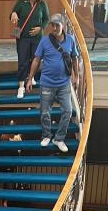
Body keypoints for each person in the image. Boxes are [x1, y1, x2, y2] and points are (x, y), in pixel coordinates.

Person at [25, 14, 80, 153]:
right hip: (47, 83)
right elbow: (37, 60)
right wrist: (30, 78)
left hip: (64, 83)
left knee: (67, 111)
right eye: (52, 25)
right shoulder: (44, 41)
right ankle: (46, 135)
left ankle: (59, 138)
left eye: (57, 25)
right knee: (45, 112)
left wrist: (77, 76)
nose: (54, 28)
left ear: (63, 25)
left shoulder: (71, 40)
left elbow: (74, 59)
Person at [10, 0, 49, 99]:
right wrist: (13, 14)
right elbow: (12, 14)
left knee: (36, 60)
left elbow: (46, 19)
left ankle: (30, 78)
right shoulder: (21, 3)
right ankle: (21, 86)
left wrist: (40, 28)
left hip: (37, 38)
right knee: (23, 61)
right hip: (23, 38)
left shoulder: (42, 4)